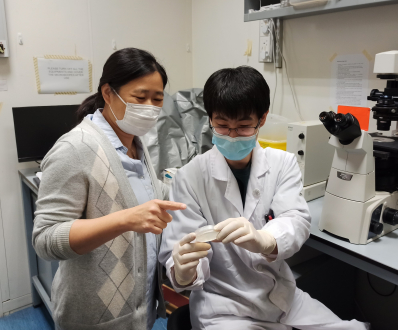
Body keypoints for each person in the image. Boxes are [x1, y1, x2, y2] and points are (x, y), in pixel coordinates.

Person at [159, 66, 369, 330]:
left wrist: (267, 240)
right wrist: (184, 270)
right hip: (223, 308)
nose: (232, 135)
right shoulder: (189, 178)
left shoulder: (282, 163)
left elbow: (296, 219)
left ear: (263, 119)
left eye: (244, 126)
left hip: (282, 298)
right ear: (210, 119)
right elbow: (184, 250)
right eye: (222, 126)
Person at [33, 48, 186, 330]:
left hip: (139, 310)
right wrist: (124, 220)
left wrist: (191, 186)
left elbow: (145, 191)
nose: (150, 107)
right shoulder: (76, 148)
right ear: (108, 93)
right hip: (96, 316)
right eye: (140, 97)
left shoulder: (135, 143)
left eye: (158, 99)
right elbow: (45, 239)